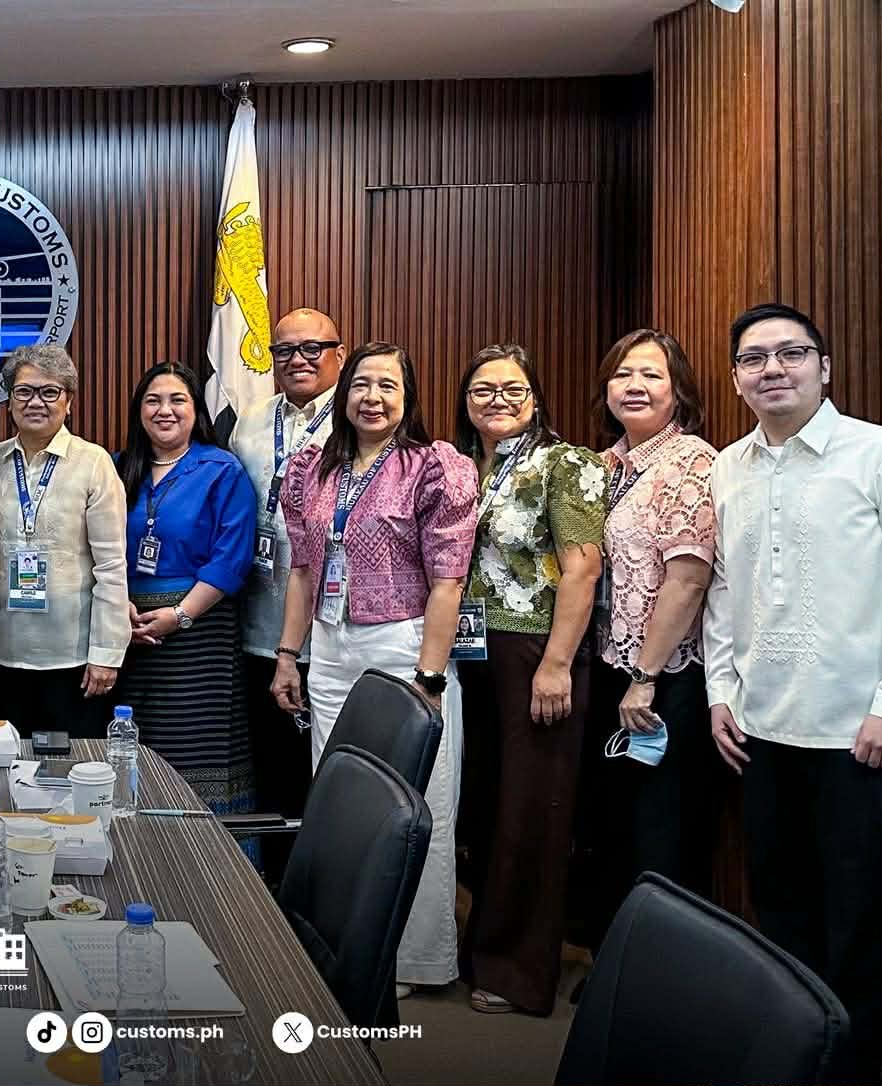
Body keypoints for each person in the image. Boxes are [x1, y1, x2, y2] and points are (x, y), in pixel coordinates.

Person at [704, 303, 882, 1082]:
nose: (772, 369)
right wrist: (720, 691)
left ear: (825, 367)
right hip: (760, 730)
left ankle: (854, 1074)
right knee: (780, 916)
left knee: (856, 925)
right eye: (754, 358)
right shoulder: (727, 467)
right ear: (737, 379)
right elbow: (723, 589)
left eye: (791, 353)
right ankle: (795, 1064)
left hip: (861, 735)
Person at [271, 341, 477, 994]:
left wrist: (431, 677)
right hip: (331, 651)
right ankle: (341, 946)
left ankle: (414, 959)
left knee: (416, 808)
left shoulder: (432, 466)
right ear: (343, 393)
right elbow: (302, 572)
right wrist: (288, 656)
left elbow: (448, 582)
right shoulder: (313, 468)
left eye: (388, 385)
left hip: (405, 647)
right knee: (341, 804)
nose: (372, 397)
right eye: (361, 384)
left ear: (407, 397)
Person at [448, 345, 605, 1016]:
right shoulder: (465, 467)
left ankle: (518, 970)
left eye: (513, 389)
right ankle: (480, 944)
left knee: (530, 813)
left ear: (536, 398)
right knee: (484, 807)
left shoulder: (565, 464)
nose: (498, 400)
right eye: (483, 390)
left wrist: (557, 663)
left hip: (538, 650)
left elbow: (583, 568)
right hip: (474, 651)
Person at [586, 328, 720, 920]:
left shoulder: (691, 462)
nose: (634, 386)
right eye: (622, 375)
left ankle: (660, 966)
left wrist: (645, 678)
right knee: (614, 828)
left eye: (651, 375)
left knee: (660, 834)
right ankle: (616, 957)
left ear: (678, 391)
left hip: (663, 679)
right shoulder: (605, 465)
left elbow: (687, 581)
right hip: (610, 668)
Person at [112, 363, 258, 839]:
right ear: (138, 410)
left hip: (200, 635)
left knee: (198, 749)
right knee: (138, 746)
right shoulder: (118, 468)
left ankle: (206, 858)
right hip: (131, 635)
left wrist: (179, 615)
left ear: (196, 410)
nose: (165, 410)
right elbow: (97, 546)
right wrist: (120, 607)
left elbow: (231, 557)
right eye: (153, 400)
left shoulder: (222, 469)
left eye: (178, 400)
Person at [226, 307, 341, 859]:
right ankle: (273, 880)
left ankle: (325, 877)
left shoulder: (358, 417)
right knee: (271, 762)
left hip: (333, 630)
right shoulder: (250, 420)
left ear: (339, 354)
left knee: (327, 768)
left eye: (312, 348)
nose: (298, 360)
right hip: (258, 623)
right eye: (284, 350)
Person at [0, 345, 128, 735]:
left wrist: (106, 654)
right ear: (9, 401)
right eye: (24, 391)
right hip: (0, 649)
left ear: (69, 402)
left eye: (50, 392)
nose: (35, 402)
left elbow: (111, 567)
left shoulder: (93, 463)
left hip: (72, 656)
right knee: (6, 760)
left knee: (68, 763)